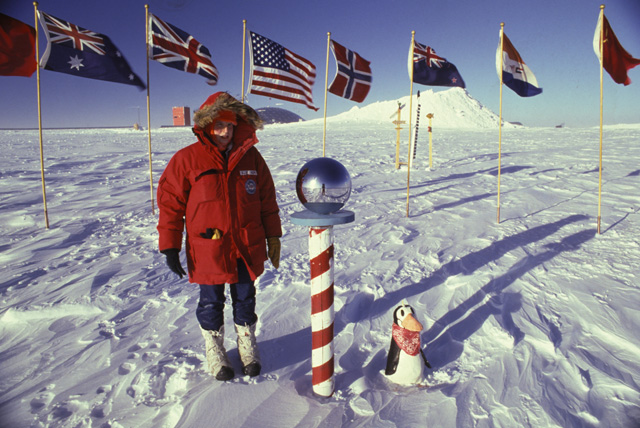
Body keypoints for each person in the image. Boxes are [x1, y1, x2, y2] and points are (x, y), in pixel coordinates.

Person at [157, 92, 282, 381]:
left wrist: (273, 236)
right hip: (209, 246)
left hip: (245, 244)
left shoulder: (252, 157)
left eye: (230, 125)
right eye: (219, 125)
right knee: (211, 301)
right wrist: (170, 246)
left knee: (245, 297)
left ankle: (247, 345)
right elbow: (170, 204)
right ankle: (215, 348)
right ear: (207, 126)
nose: (225, 132)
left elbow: (267, 200)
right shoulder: (187, 159)